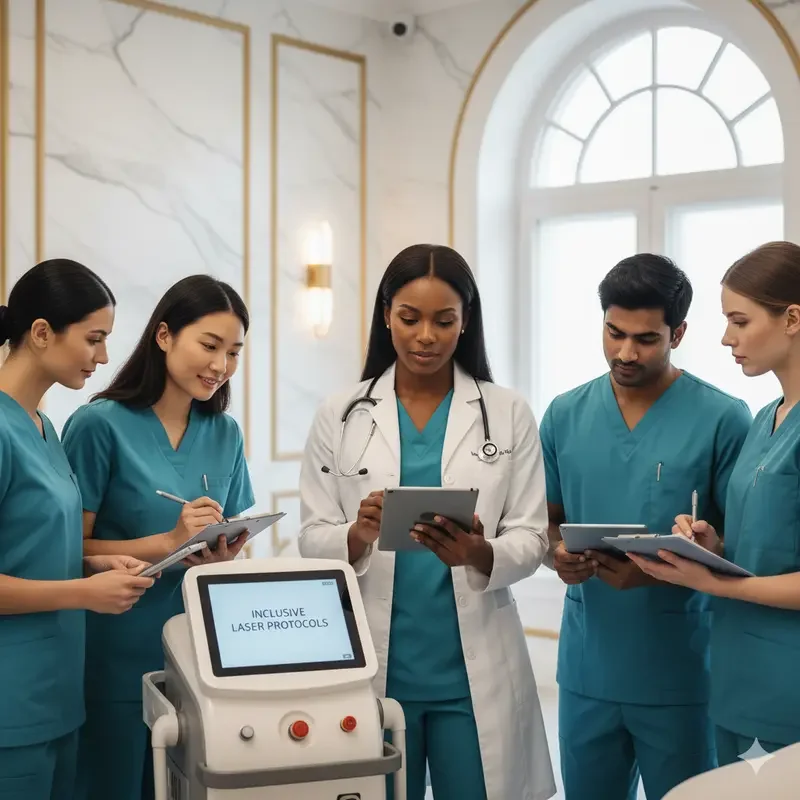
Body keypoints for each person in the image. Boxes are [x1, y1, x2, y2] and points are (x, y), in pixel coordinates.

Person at [298, 244, 556, 800]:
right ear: (386, 314)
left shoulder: (507, 412)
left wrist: (477, 553)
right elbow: (312, 536)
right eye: (409, 319)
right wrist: (357, 534)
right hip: (376, 667)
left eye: (444, 321)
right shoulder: (340, 413)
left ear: (466, 323)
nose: (425, 337)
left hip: (473, 671)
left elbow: (533, 537)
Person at [540, 254, 752, 800]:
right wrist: (558, 555)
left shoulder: (724, 418)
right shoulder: (564, 414)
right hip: (588, 669)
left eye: (646, 339)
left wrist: (663, 572)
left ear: (678, 333)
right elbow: (547, 524)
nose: (626, 352)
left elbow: (738, 543)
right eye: (614, 333)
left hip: (679, 670)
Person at [61, 275, 256, 800]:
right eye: (210, 346)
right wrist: (168, 540)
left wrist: (221, 551)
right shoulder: (98, 425)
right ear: (165, 336)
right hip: (114, 652)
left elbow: (233, 536)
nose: (221, 366)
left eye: (234, 352)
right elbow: (68, 551)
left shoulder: (225, 433)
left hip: (197, 655)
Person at [629, 241, 800, 768]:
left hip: (788, 690)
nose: (727, 338)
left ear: (792, 318)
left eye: (740, 321)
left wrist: (712, 582)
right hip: (736, 680)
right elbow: (767, 541)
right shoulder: (765, 419)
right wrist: (714, 546)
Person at [0, 259, 155, 800]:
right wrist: (84, 592)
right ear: (41, 333)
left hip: (60, 698)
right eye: (94, 339)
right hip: (10, 706)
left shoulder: (43, 426)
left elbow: (30, 548)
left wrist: (94, 563)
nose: (105, 356)